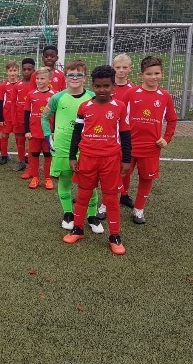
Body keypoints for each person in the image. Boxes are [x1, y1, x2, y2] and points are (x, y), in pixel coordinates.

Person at [64, 65, 131, 255]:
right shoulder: (84, 107)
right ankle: (78, 229)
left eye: (106, 86)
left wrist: (126, 159)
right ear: (92, 86)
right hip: (87, 158)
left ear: (113, 86)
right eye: (98, 86)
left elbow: (125, 135)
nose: (102, 90)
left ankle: (115, 236)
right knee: (83, 194)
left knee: (111, 198)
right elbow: (76, 133)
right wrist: (72, 156)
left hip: (111, 160)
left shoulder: (120, 107)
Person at [41, 61, 103, 232]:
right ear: (65, 77)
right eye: (71, 75)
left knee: (89, 183)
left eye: (79, 75)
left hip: (87, 146)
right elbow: (44, 117)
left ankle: (92, 216)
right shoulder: (57, 98)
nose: (75, 78)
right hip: (63, 146)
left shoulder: (93, 97)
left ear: (85, 78)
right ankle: (68, 213)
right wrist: (48, 136)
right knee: (65, 180)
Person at [119, 56, 178, 224]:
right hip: (129, 146)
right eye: (149, 74)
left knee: (146, 178)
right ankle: (107, 205)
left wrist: (166, 138)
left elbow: (172, 119)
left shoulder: (165, 96)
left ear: (162, 74)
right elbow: (119, 115)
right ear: (141, 75)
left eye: (157, 73)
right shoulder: (131, 93)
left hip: (151, 148)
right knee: (120, 175)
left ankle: (139, 210)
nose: (153, 77)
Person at [96, 53, 135, 219]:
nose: (121, 70)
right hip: (107, 135)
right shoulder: (106, 86)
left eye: (124, 67)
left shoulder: (133, 89)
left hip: (124, 135)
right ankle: (102, 199)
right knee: (107, 170)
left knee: (125, 167)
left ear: (130, 69)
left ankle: (124, 194)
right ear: (113, 68)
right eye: (118, 67)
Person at [23, 67, 55, 189]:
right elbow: (26, 114)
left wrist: (54, 131)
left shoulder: (54, 95)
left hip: (48, 133)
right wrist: (27, 130)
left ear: (49, 80)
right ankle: (35, 177)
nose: (39, 81)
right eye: (37, 78)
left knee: (48, 155)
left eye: (42, 78)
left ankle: (48, 178)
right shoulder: (31, 94)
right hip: (34, 132)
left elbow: (57, 114)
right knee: (34, 155)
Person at [13, 58, 35, 171]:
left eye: (29, 69)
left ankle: (32, 163)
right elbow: (13, 104)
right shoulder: (17, 85)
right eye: (24, 69)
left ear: (33, 70)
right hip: (19, 119)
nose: (26, 72)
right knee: (20, 141)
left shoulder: (37, 85)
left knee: (32, 143)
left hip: (32, 120)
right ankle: (21, 161)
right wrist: (14, 120)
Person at [0, 61, 19, 165]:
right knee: (4, 135)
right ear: (6, 72)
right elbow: (0, 102)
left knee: (18, 136)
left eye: (14, 70)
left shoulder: (21, 84)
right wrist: (1, 118)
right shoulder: (3, 85)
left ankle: (22, 157)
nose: (12, 73)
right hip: (6, 116)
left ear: (18, 71)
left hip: (17, 116)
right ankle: (4, 155)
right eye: (10, 71)